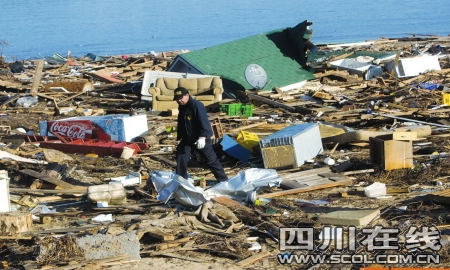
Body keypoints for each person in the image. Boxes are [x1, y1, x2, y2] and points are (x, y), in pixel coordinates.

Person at [173, 87, 228, 182]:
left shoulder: (197, 105)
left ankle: (223, 180)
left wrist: (202, 137)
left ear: (187, 95)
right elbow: (182, 122)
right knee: (181, 157)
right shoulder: (182, 106)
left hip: (200, 137)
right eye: (177, 99)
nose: (179, 100)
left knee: (211, 160)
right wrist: (180, 135)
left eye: (181, 98)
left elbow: (204, 122)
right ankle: (180, 180)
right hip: (187, 138)